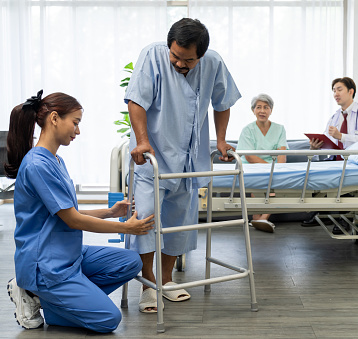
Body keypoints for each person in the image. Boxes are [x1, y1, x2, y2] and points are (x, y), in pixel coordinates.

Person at [5, 90, 154, 333]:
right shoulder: (37, 165)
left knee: (130, 262)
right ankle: (38, 293)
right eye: (75, 123)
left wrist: (110, 212)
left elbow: (68, 211)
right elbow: (73, 220)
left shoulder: (55, 160)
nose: (77, 131)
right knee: (108, 319)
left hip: (67, 253)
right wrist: (125, 227)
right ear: (54, 118)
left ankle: (54, 300)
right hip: (46, 265)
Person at [125, 18, 240, 313]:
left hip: (189, 157)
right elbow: (136, 101)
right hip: (152, 155)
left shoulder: (213, 63)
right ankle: (148, 284)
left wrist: (222, 140)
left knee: (179, 223)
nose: (179, 63)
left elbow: (223, 102)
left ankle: (168, 280)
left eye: (187, 59)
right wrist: (141, 140)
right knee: (147, 220)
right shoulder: (153, 55)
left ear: (200, 55)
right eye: (175, 56)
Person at [301, 77, 358, 232]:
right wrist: (316, 146)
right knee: (312, 170)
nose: (336, 93)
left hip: (355, 161)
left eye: (339, 89)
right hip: (335, 158)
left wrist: (341, 136)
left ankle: (344, 218)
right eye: (334, 90)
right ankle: (321, 210)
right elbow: (328, 140)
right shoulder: (335, 117)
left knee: (344, 175)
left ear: (351, 91)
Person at [237, 93, 287, 233]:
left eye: (266, 107)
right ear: (253, 110)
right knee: (260, 178)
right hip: (252, 166)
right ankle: (258, 218)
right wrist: (270, 168)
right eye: (258, 107)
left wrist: (279, 168)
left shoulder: (279, 129)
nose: (262, 111)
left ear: (271, 110)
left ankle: (261, 218)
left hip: (273, 167)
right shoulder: (248, 130)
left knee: (273, 179)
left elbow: (282, 154)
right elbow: (250, 157)